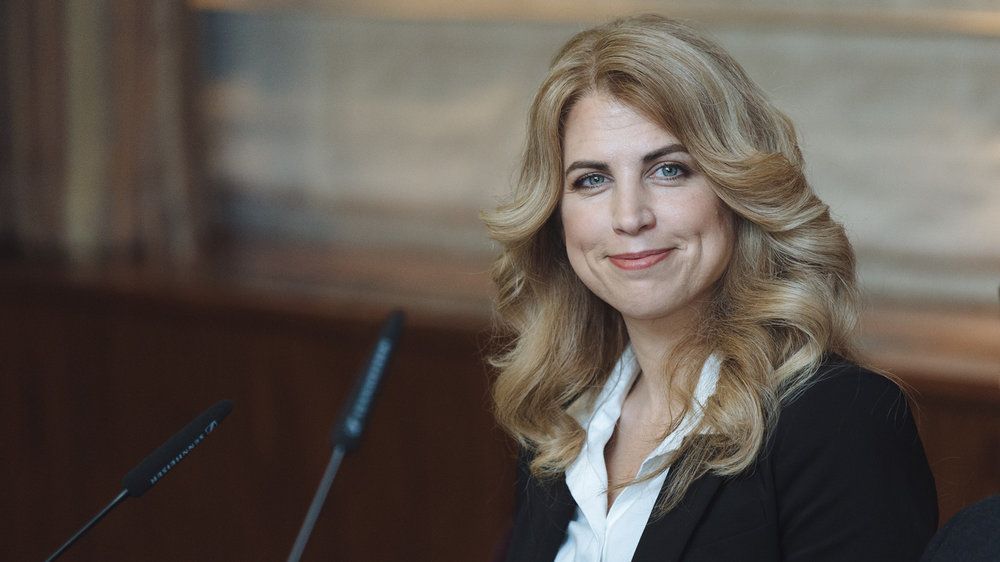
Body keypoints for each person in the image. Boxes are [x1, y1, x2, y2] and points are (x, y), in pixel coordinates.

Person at [482, 14, 938, 562]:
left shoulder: (838, 420)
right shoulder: (559, 424)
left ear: (736, 190)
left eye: (669, 170)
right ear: (557, 217)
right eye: (592, 180)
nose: (629, 216)